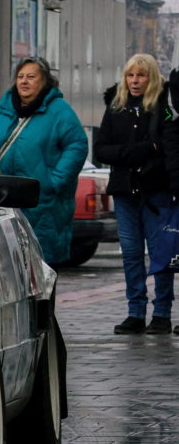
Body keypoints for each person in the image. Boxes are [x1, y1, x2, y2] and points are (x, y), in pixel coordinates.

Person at [0, 56, 88, 266]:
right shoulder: (2, 109)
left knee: (40, 262)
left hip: (42, 202)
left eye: (31, 76)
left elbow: (77, 145)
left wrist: (54, 181)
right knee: (6, 264)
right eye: (20, 76)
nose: (24, 81)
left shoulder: (59, 111)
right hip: (2, 200)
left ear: (45, 80)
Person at [94, 54, 174, 335]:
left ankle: (162, 312)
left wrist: (133, 154)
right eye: (130, 75)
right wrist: (141, 151)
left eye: (141, 75)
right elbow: (101, 150)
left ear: (152, 78)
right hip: (125, 190)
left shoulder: (163, 107)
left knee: (161, 253)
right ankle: (135, 311)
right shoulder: (116, 107)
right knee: (130, 253)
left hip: (155, 192)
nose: (135, 81)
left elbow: (165, 147)